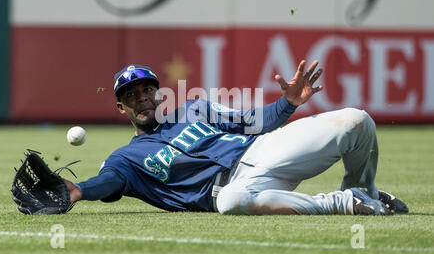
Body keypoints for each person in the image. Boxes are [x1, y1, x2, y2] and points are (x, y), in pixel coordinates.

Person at [64, 62, 408, 216]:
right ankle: (341, 203)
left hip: (264, 151)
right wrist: (79, 190)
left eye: (147, 89)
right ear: (120, 105)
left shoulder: (194, 109)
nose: (141, 97)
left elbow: (260, 121)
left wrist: (288, 102)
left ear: (158, 92)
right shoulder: (126, 158)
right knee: (230, 201)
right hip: (233, 189)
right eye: (130, 94)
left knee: (356, 121)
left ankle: (364, 191)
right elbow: (107, 181)